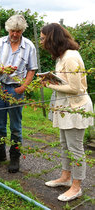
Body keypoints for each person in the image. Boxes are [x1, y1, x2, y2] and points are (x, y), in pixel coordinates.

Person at [40, 23, 94, 202]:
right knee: (64, 144)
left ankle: (76, 187)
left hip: (76, 108)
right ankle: (65, 177)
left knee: (75, 148)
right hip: (65, 108)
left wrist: (49, 84)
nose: (40, 41)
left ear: (52, 38)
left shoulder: (70, 57)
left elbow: (75, 88)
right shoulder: (61, 56)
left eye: (42, 38)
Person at [0, 14, 38, 173]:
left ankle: (14, 157)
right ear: (8, 30)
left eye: (18, 31)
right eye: (12, 31)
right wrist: (2, 69)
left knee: (15, 125)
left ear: (22, 30)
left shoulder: (29, 46)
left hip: (16, 89)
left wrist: (23, 87)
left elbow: (32, 69)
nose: (14, 34)